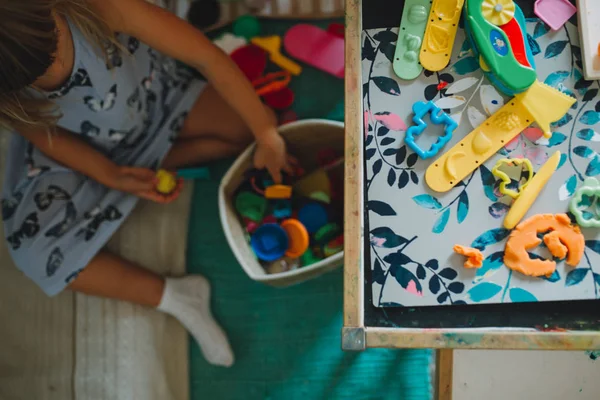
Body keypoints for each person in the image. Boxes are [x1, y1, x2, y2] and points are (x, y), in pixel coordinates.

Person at [0, 0, 291, 367]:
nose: (57, 66)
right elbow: (42, 134)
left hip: (158, 101)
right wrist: (108, 174)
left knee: (254, 123)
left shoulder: (99, 8)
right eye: (38, 73)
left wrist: (266, 135)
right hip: (79, 147)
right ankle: (178, 296)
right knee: (34, 256)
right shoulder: (8, 84)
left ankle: (144, 164)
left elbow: (207, 58)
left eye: (54, 41)